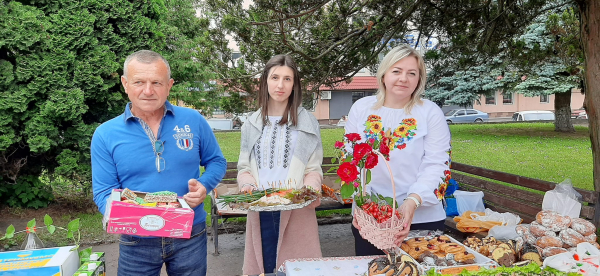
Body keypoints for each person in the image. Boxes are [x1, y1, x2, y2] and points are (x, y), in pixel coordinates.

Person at [91, 50, 227, 276]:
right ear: (125, 84)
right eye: (139, 82)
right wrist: (117, 215)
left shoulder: (193, 120)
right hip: (137, 239)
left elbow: (216, 161)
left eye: (156, 82)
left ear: (169, 85)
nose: (148, 90)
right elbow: (104, 191)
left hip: (189, 234)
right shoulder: (105, 134)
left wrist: (204, 185)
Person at [345, 45, 451, 256]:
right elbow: (351, 160)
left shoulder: (430, 112)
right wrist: (361, 206)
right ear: (384, 74)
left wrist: (411, 203)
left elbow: (437, 164)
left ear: (419, 80)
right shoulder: (361, 108)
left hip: (422, 217)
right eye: (397, 71)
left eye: (412, 73)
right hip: (371, 219)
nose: (404, 78)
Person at [237, 54, 323, 274]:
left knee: (296, 270)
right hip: (262, 209)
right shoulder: (251, 123)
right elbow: (244, 168)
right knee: (265, 269)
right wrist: (247, 186)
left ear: (295, 85)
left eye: (288, 79)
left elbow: (313, 169)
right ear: (265, 80)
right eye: (275, 77)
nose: (280, 85)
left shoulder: (307, 122)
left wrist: (312, 188)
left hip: (296, 210)